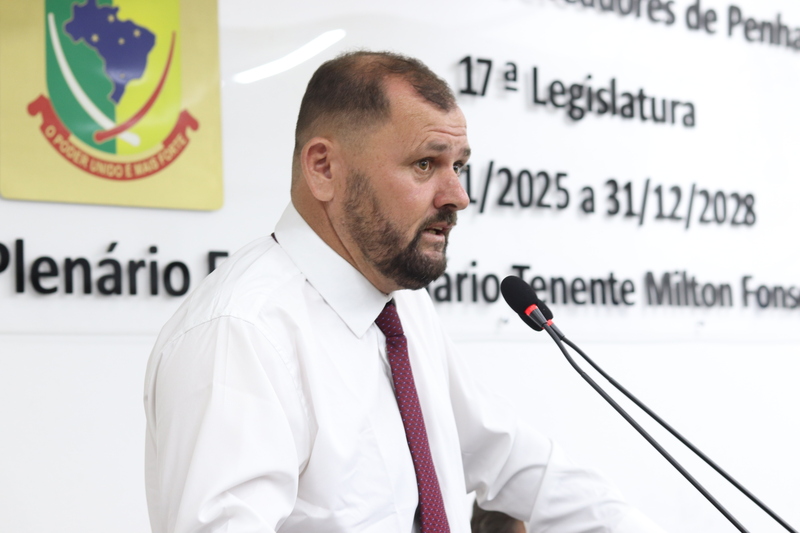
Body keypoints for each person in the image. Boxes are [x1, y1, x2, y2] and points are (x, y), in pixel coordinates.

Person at [143, 50, 666, 533]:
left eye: (459, 166)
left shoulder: (402, 305)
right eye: (425, 164)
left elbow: (505, 454)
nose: (458, 195)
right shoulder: (241, 334)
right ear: (324, 168)